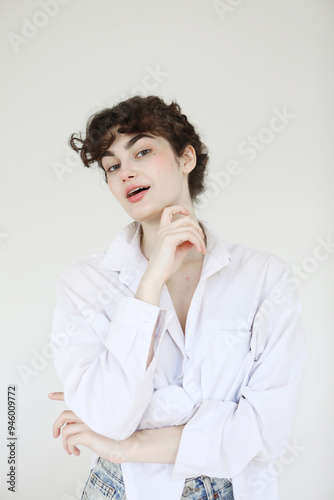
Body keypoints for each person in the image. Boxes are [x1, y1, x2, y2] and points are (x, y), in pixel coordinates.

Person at [49, 95, 307, 500]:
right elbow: (113, 417)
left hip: (235, 487)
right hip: (122, 488)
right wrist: (150, 284)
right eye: (112, 166)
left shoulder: (264, 278)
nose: (125, 173)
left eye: (142, 151)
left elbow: (265, 430)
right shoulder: (83, 284)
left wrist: (130, 443)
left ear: (186, 158)